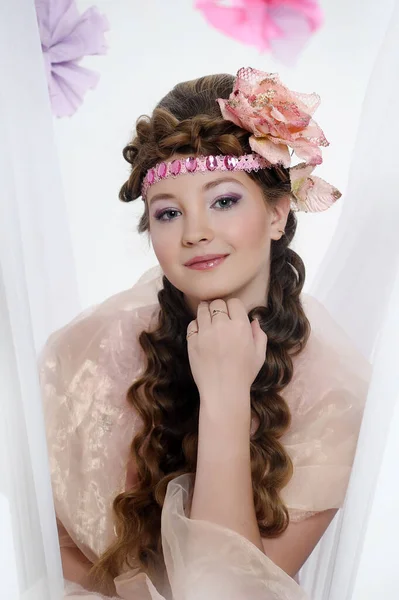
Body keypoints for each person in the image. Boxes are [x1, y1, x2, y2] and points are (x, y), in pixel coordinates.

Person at [39, 67, 370, 600]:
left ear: (278, 213)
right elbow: (47, 550)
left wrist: (224, 397)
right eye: (169, 212)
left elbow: (228, 592)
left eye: (223, 201)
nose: (195, 232)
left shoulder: (332, 397)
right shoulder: (90, 354)